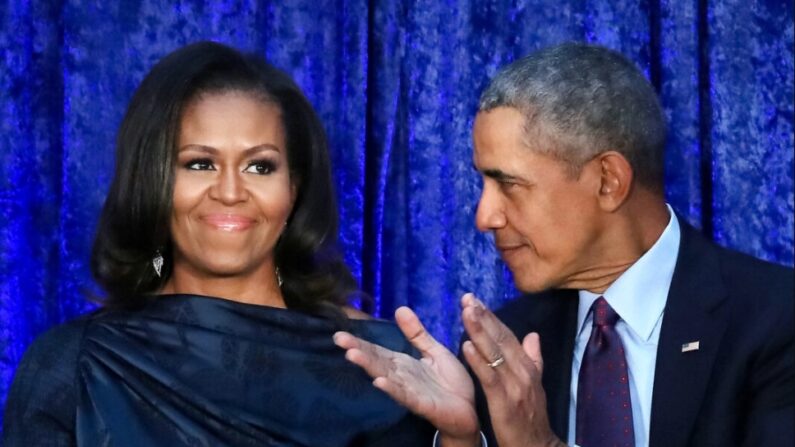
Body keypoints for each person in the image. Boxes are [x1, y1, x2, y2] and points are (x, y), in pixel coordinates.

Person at [334, 42, 794, 447]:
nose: (484, 217)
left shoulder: (775, 321)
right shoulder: (503, 350)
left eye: (508, 184)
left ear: (608, 181)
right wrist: (463, 438)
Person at [3, 41, 432, 446]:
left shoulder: (380, 363)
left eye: (260, 167)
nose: (229, 191)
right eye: (200, 163)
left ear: (294, 189)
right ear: (153, 181)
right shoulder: (75, 365)